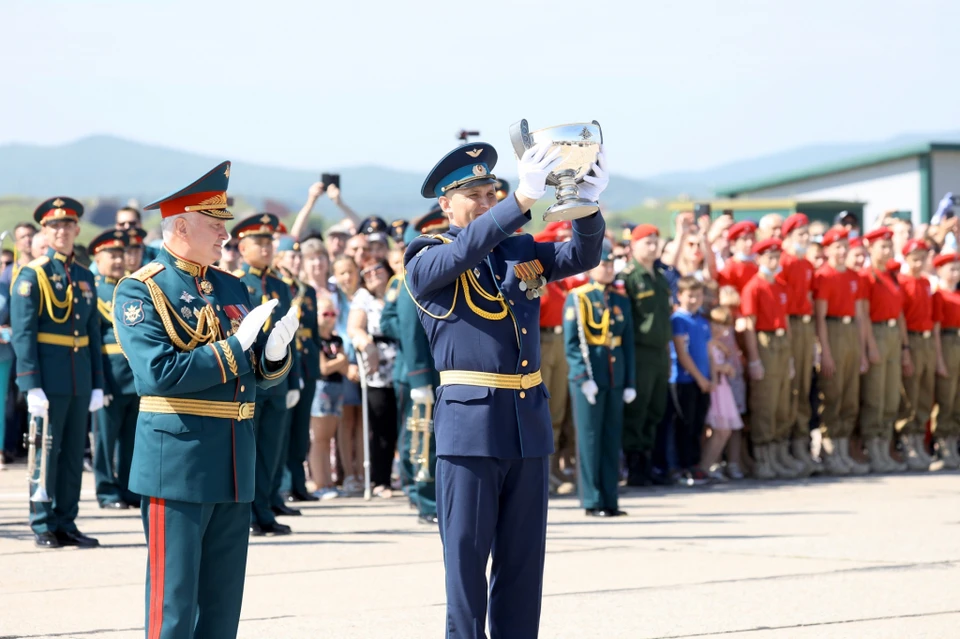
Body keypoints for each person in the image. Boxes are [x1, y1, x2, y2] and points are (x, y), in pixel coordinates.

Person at [403, 140, 607, 636]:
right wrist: (518, 203)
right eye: (472, 193)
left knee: (522, 569)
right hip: (470, 431)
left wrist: (585, 204)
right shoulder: (425, 255)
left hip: (526, 426)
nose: (486, 199)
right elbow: (465, 249)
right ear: (445, 205)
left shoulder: (517, 249)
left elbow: (583, 253)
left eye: (491, 191)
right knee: (467, 571)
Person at [112, 161, 297, 638]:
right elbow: (159, 374)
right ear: (180, 226)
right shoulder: (143, 288)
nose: (224, 237)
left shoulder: (231, 286)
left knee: (221, 608)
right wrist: (236, 348)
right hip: (178, 461)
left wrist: (273, 355)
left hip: (234, 459)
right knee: (173, 606)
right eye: (215, 226)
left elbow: (254, 376)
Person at [11, 196, 105, 548]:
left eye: (67, 225)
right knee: (45, 452)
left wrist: (97, 382)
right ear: (45, 232)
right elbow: (24, 333)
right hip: (48, 380)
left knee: (71, 455)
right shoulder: (31, 275)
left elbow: (92, 333)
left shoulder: (83, 276)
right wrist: (30, 383)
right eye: (54, 226)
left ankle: (67, 520)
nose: (62, 231)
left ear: (77, 229)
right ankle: (42, 522)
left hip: (79, 378)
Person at [232, 213, 303, 531]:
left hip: (278, 377)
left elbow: (292, 335)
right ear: (242, 246)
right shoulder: (235, 283)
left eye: (268, 242)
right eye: (257, 242)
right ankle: (245, 513)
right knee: (247, 450)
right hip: (249, 377)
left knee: (271, 450)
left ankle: (264, 509)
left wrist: (294, 377)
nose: (265, 248)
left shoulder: (279, 285)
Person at [381, 207, 447, 523]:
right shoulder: (410, 280)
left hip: (440, 370)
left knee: (435, 435)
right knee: (421, 437)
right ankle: (424, 499)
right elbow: (406, 328)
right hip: (418, 372)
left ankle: (431, 495)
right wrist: (420, 377)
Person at [563, 240, 635, 516]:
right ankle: (592, 499)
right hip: (590, 377)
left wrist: (630, 382)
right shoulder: (578, 297)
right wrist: (582, 378)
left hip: (614, 378)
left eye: (610, 264)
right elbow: (572, 344)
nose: (607, 269)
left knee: (610, 438)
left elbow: (627, 344)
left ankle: (610, 499)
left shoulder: (619, 300)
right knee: (590, 439)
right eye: (603, 264)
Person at [741, 238, 801, 479]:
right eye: (769, 257)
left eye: (777, 257)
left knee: (781, 402)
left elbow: (785, 321)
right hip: (764, 342)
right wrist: (754, 360)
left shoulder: (780, 284)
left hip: (781, 342)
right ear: (759, 259)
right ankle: (763, 458)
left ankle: (778, 454)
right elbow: (749, 326)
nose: (774, 262)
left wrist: (790, 358)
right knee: (765, 401)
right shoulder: (753, 287)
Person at [90, 229, 141, 508]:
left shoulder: (131, 288)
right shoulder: (96, 291)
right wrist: (101, 384)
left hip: (133, 377)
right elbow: (94, 341)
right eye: (112, 255)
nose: (118, 260)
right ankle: (107, 490)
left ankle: (129, 488)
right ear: (98, 258)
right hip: (109, 374)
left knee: (132, 439)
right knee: (105, 441)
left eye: (121, 255)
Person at [619, 223, 673, 486]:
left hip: (660, 352)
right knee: (637, 409)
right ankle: (635, 466)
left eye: (655, 242)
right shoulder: (630, 276)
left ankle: (649, 462)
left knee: (655, 408)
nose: (652, 247)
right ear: (633, 245)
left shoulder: (659, 276)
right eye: (647, 242)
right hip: (639, 352)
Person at [814, 227, 868, 475]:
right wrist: (824, 351)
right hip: (833, 330)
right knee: (833, 393)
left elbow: (859, 316)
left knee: (849, 396)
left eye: (844, 246)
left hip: (850, 334)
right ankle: (830, 450)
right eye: (836, 247)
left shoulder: (854, 277)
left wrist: (863, 351)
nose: (841, 251)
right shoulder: (824, 276)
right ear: (827, 250)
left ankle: (843, 451)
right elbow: (820, 317)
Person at [274, 236, 322, 503]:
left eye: (296, 257)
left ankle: (299, 484)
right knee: (283, 428)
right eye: (289, 256)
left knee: (301, 430)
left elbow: (312, 331)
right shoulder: (279, 288)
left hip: (306, 363)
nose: (294, 260)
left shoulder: (307, 290)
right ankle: (281, 484)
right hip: (286, 363)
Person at [348, 257, 399, 497]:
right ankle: (381, 480)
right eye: (365, 271)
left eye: (377, 268)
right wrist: (366, 345)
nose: (372, 274)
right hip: (377, 369)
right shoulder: (363, 298)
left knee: (403, 422)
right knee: (381, 426)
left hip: (402, 363)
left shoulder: (399, 289)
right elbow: (355, 328)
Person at [858, 227, 907, 472]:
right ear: (871, 248)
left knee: (890, 396)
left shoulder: (891, 275)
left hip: (893, 335)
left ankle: (884, 446)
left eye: (889, 246)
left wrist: (905, 346)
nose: (887, 251)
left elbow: (899, 315)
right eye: (882, 246)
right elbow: (863, 314)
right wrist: (870, 346)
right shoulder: (867, 276)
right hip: (876, 332)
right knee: (875, 395)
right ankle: (873, 447)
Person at [778, 213, 820, 473]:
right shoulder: (783, 262)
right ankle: (784, 446)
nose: (804, 239)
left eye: (806, 234)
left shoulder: (806, 264)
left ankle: (801, 444)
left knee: (804, 387)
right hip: (789, 324)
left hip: (805, 324)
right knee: (789, 388)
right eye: (800, 234)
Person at [663, 276, 713, 485]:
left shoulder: (702, 321)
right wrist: (700, 378)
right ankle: (682, 468)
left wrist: (711, 377)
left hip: (702, 381)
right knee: (684, 424)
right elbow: (682, 354)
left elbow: (708, 351)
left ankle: (694, 464)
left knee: (697, 425)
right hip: (684, 380)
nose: (694, 300)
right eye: (690, 296)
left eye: (698, 295)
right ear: (680, 296)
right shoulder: (678, 320)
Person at [897, 238, 935, 471]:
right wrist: (905, 348)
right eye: (914, 258)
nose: (919, 262)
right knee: (909, 392)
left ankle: (920, 440)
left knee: (924, 393)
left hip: (927, 340)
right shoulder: (903, 282)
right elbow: (901, 317)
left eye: (922, 258)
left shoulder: (926, 282)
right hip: (910, 338)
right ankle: (907, 441)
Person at [700, 307, 744, 480]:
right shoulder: (707, 344)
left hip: (723, 390)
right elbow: (706, 366)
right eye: (716, 324)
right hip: (715, 390)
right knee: (717, 430)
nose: (720, 329)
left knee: (725, 431)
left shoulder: (719, 345)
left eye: (723, 325)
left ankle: (710, 466)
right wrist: (722, 368)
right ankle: (704, 467)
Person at [310, 296, 346, 499]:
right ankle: (319, 483)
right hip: (321, 386)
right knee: (319, 439)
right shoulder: (316, 339)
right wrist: (339, 361)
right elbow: (323, 367)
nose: (330, 318)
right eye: (325, 313)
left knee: (329, 438)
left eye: (333, 314)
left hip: (335, 386)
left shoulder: (336, 339)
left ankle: (328, 482)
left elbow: (343, 364)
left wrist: (340, 362)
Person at [933, 252, 960, 469]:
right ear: (940, 270)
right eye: (951, 269)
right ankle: (942, 444)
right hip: (947, 342)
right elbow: (935, 332)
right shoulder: (938, 295)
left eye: (957, 269)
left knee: (958, 399)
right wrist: (939, 360)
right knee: (946, 398)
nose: (956, 273)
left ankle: (953, 442)